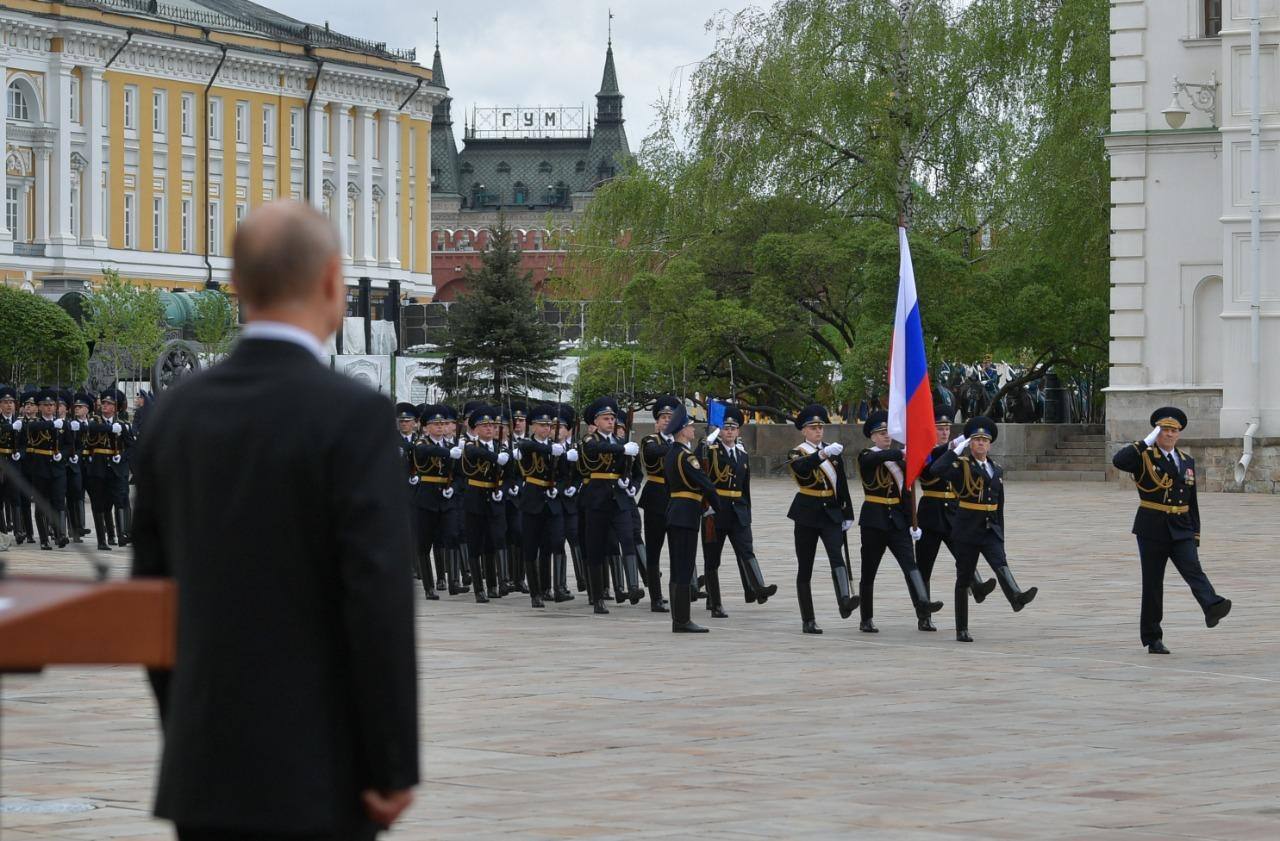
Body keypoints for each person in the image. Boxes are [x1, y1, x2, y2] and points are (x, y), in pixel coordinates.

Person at [130, 201, 418, 841]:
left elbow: (151, 600)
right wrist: (392, 760)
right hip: (321, 768)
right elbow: (377, 599)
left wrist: (188, 730)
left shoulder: (174, 415)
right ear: (330, 282)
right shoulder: (354, 417)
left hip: (203, 768)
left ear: (237, 287)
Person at [1111, 407, 1231, 654]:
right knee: (1153, 584)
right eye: (1164, 430)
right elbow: (1119, 461)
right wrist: (1145, 442)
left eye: (1173, 430)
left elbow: (1192, 500)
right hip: (1152, 528)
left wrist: (1196, 533)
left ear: (1179, 433)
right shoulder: (1144, 457)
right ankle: (1153, 638)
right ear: (1157, 431)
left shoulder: (1186, 460)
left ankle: (1212, 606)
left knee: (1193, 569)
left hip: (1181, 527)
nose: (1169, 434)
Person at [925, 416, 1038, 642]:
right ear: (970, 443)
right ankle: (962, 628)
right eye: (975, 440)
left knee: (1000, 563)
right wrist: (955, 450)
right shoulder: (961, 466)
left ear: (990, 444)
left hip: (990, 529)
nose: (980, 444)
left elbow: (1000, 505)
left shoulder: (996, 469)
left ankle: (1016, 596)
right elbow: (936, 469)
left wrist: (1001, 535)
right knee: (964, 578)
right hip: (967, 529)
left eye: (984, 441)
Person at [854, 410, 942, 633]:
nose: (886, 436)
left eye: (888, 433)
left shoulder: (900, 460)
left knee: (910, 566)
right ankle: (866, 618)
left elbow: (907, 492)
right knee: (869, 571)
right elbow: (876, 458)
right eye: (881, 433)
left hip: (897, 522)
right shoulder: (867, 455)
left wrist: (913, 522)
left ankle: (923, 608)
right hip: (874, 520)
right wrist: (901, 453)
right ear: (872, 437)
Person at [915, 408, 996, 631]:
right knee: (925, 565)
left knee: (964, 554)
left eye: (947, 429)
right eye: (940, 429)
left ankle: (977, 585)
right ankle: (924, 613)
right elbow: (931, 468)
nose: (944, 432)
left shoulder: (956, 451)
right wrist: (950, 448)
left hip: (952, 511)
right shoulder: (925, 452)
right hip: (931, 512)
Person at [785, 404, 858, 635]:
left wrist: (848, 513)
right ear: (804, 431)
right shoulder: (797, 452)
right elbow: (803, 468)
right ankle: (808, 618)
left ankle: (844, 600)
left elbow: (842, 483)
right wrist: (823, 454)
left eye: (820, 427)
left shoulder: (831, 450)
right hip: (807, 512)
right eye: (813, 428)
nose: (818, 431)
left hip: (830, 511)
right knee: (805, 566)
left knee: (837, 557)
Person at [698, 405, 777, 617]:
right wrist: (709, 438)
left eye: (733, 428)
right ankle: (715, 603)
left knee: (746, 550)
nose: (729, 432)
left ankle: (758, 588)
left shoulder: (742, 456)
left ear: (738, 431)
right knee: (713, 559)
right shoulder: (712, 451)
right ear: (720, 431)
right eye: (725, 428)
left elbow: (745, 488)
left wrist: (747, 513)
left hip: (738, 512)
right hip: (716, 511)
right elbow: (699, 458)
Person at [578, 396, 642, 614]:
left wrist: (631, 483)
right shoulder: (589, 440)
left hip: (619, 498)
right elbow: (594, 450)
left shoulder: (622, 442)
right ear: (596, 422)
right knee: (596, 548)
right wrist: (622, 451)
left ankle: (633, 586)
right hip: (597, 498)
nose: (611, 422)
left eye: (613, 418)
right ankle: (597, 597)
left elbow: (633, 470)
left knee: (628, 538)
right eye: (606, 418)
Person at [663, 403, 722, 633]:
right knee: (685, 567)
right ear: (681, 431)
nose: (693, 430)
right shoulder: (687, 457)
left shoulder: (671, 454)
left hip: (675, 510)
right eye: (690, 427)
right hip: (687, 513)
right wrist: (717, 507)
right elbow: (705, 483)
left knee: (678, 566)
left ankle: (679, 619)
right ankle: (682, 620)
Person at [460, 404, 510, 602]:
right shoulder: (472, 446)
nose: (490, 429)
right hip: (476, 498)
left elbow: (511, 476)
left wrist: (505, 489)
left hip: (495, 499)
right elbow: (475, 455)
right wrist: (497, 457)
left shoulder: (501, 448)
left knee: (493, 541)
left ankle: (492, 585)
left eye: (492, 425)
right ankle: (478, 588)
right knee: (475, 543)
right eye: (485, 426)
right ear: (476, 429)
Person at [639, 396, 680, 612]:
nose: (666, 421)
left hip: (676, 498)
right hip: (656, 498)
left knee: (676, 550)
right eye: (663, 417)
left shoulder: (681, 442)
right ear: (657, 421)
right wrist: (678, 446)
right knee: (654, 551)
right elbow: (653, 453)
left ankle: (677, 594)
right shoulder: (650, 440)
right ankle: (656, 597)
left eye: (670, 418)